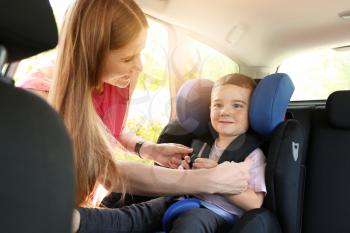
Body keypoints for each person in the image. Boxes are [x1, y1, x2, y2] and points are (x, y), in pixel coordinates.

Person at [19, 0, 252, 232]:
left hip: (83, 203)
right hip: (53, 211)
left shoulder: (116, 81)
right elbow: (109, 172)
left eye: (140, 53)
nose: (139, 67)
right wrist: (209, 181)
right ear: (93, 53)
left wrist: (147, 149)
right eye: (127, 58)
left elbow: (110, 130)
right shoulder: (41, 100)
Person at [168, 74, 266, 233]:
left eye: (237, 105)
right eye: (218, 105)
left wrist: (218, 179)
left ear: (252, 112)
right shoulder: (202, 145)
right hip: (187, 201)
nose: (224, 112)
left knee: (191, 221)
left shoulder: (252, 155)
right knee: (147, 208)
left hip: (221, 214)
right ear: (210, 109)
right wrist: (184, 172)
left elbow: (255, 203)